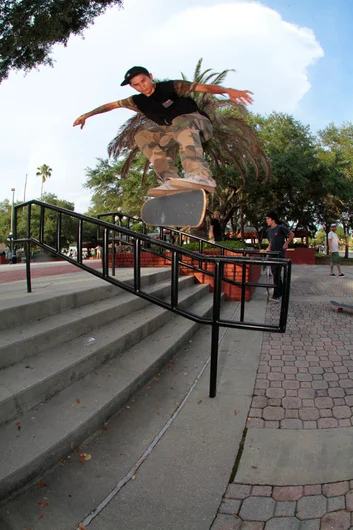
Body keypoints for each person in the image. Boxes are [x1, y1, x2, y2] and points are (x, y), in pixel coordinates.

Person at [73, 66, 253, 197]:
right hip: (174, 132)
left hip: (198, 123)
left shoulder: (171, 87)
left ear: (150, 76)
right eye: (136, 85)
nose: (141, 86)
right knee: (142, 135)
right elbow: (110, 106)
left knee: (180, 121)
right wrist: (87, 115)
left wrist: (228, 90)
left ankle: (200, 175)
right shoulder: (136, 101)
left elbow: (203, 88)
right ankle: (169, 178)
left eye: (143, 81)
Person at [265, 211, 295, 302]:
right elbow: (271, 242)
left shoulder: (280, 228)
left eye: (268, 219)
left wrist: (286, 243)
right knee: (275, 274)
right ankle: (282, 291)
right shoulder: (268, 231)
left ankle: (276, 295)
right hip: (272, 255)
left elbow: (292, 234)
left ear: (273, 219)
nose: (267, 221)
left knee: (277, 275)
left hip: (280, 254)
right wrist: (268, 248)